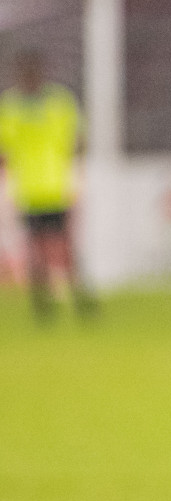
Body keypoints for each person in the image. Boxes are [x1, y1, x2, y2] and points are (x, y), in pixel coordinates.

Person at [0, 50, 94, 323]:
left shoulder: (58, 103)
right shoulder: (11, 107)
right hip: (29, 189)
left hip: (55, 186)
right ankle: (43, 303)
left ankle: (76, 298)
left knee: (63, 245)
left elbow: (78, 139)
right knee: (36, 247)